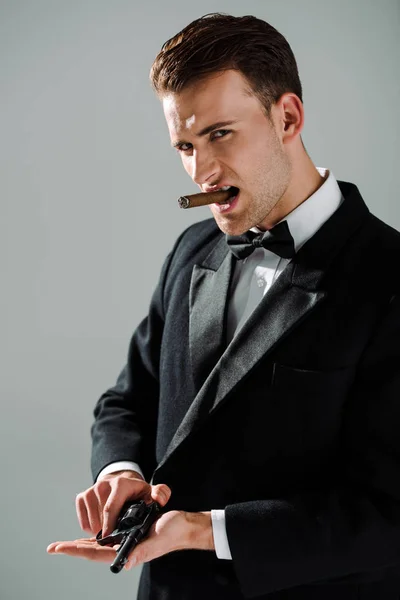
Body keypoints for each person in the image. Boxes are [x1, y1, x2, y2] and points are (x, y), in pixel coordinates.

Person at [47, 12, 400, 600]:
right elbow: (127, 400)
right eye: (184, 145)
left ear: (287, 116)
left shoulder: (388, 276)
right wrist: (122, 474)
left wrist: (202, 530)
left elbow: (388, 514)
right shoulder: (192, 250)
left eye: (219, 134)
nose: (200, 171)